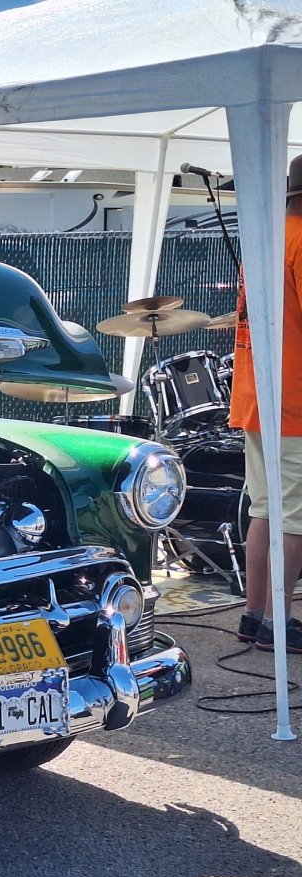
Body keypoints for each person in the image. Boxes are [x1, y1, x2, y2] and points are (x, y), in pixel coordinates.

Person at [232, 154, 302, 653]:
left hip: (257, 396)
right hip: (295, 401)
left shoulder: (266, 240)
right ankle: (280, 622)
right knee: (294, 518)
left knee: (266, 511)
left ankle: (254, 617)